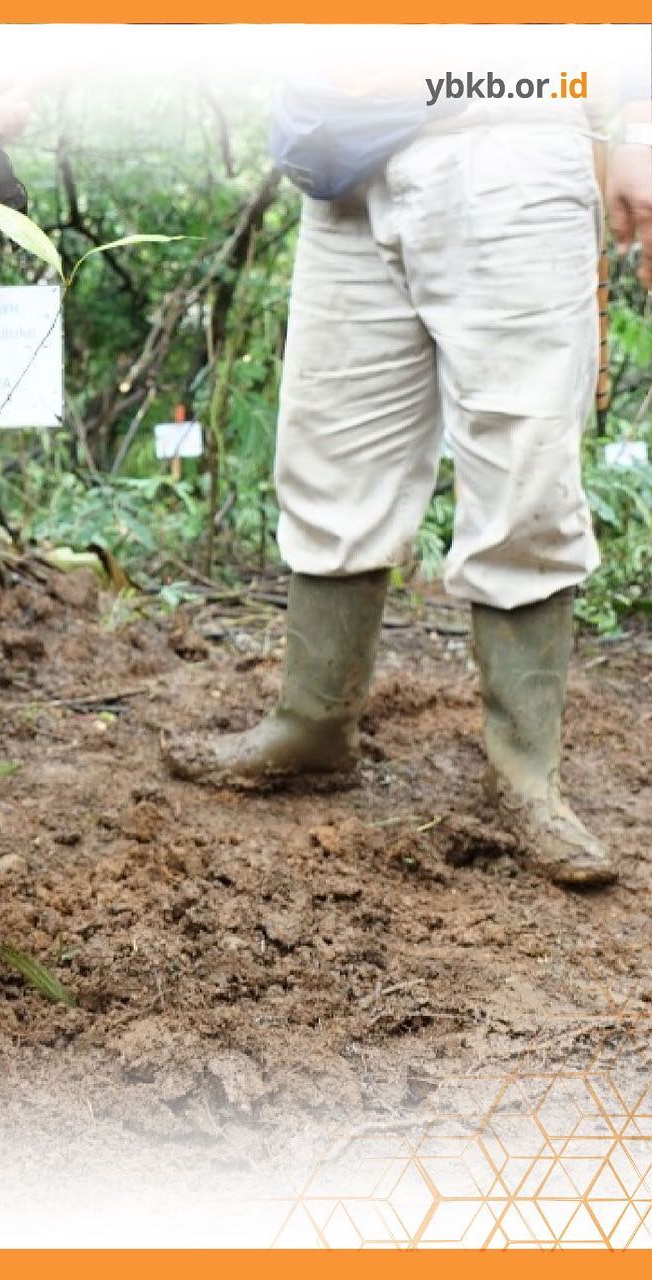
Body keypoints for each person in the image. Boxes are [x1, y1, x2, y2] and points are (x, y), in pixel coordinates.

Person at [167, 69, 652, 890]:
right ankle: (313, 724)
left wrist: (638, 113)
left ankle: (525, 772)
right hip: (343, 153)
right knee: (331, 445)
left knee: (525, 462)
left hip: (510, 126)